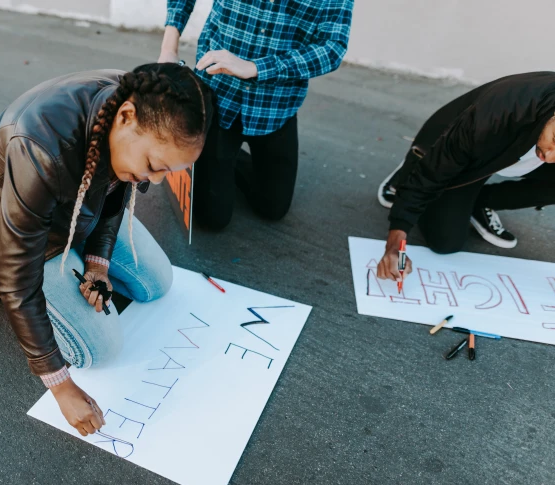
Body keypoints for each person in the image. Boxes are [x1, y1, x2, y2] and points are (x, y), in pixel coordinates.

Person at [0, 64, 214, 436]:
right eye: (152, 166)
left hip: (81, 211)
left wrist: (97, 266)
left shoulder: (131, 106)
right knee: (99, 350)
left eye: (168, 171)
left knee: (157, 283)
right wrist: (60, 385)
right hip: (17, 232)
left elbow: (115, 190)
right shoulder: (40, 147)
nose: (156, 180)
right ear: (126, 118)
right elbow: (18, 273)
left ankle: (74, 262)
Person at [159, 0, 354, 230]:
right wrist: (168, 50)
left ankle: (223, 158)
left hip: (276, 107)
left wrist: (256, 68)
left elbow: (333, 48)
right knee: (211, 219)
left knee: (272, 208)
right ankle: (211, 154)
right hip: (219, 94)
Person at [376, 72, 555, 283]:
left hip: (507, 155)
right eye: (554, 139)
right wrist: (395, 242)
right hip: (457, 153)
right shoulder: (497, 114)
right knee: (445, 242)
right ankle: (409, 169)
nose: (550, 156)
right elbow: (433, 171)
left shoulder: (547, 149)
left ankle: (479, 202)